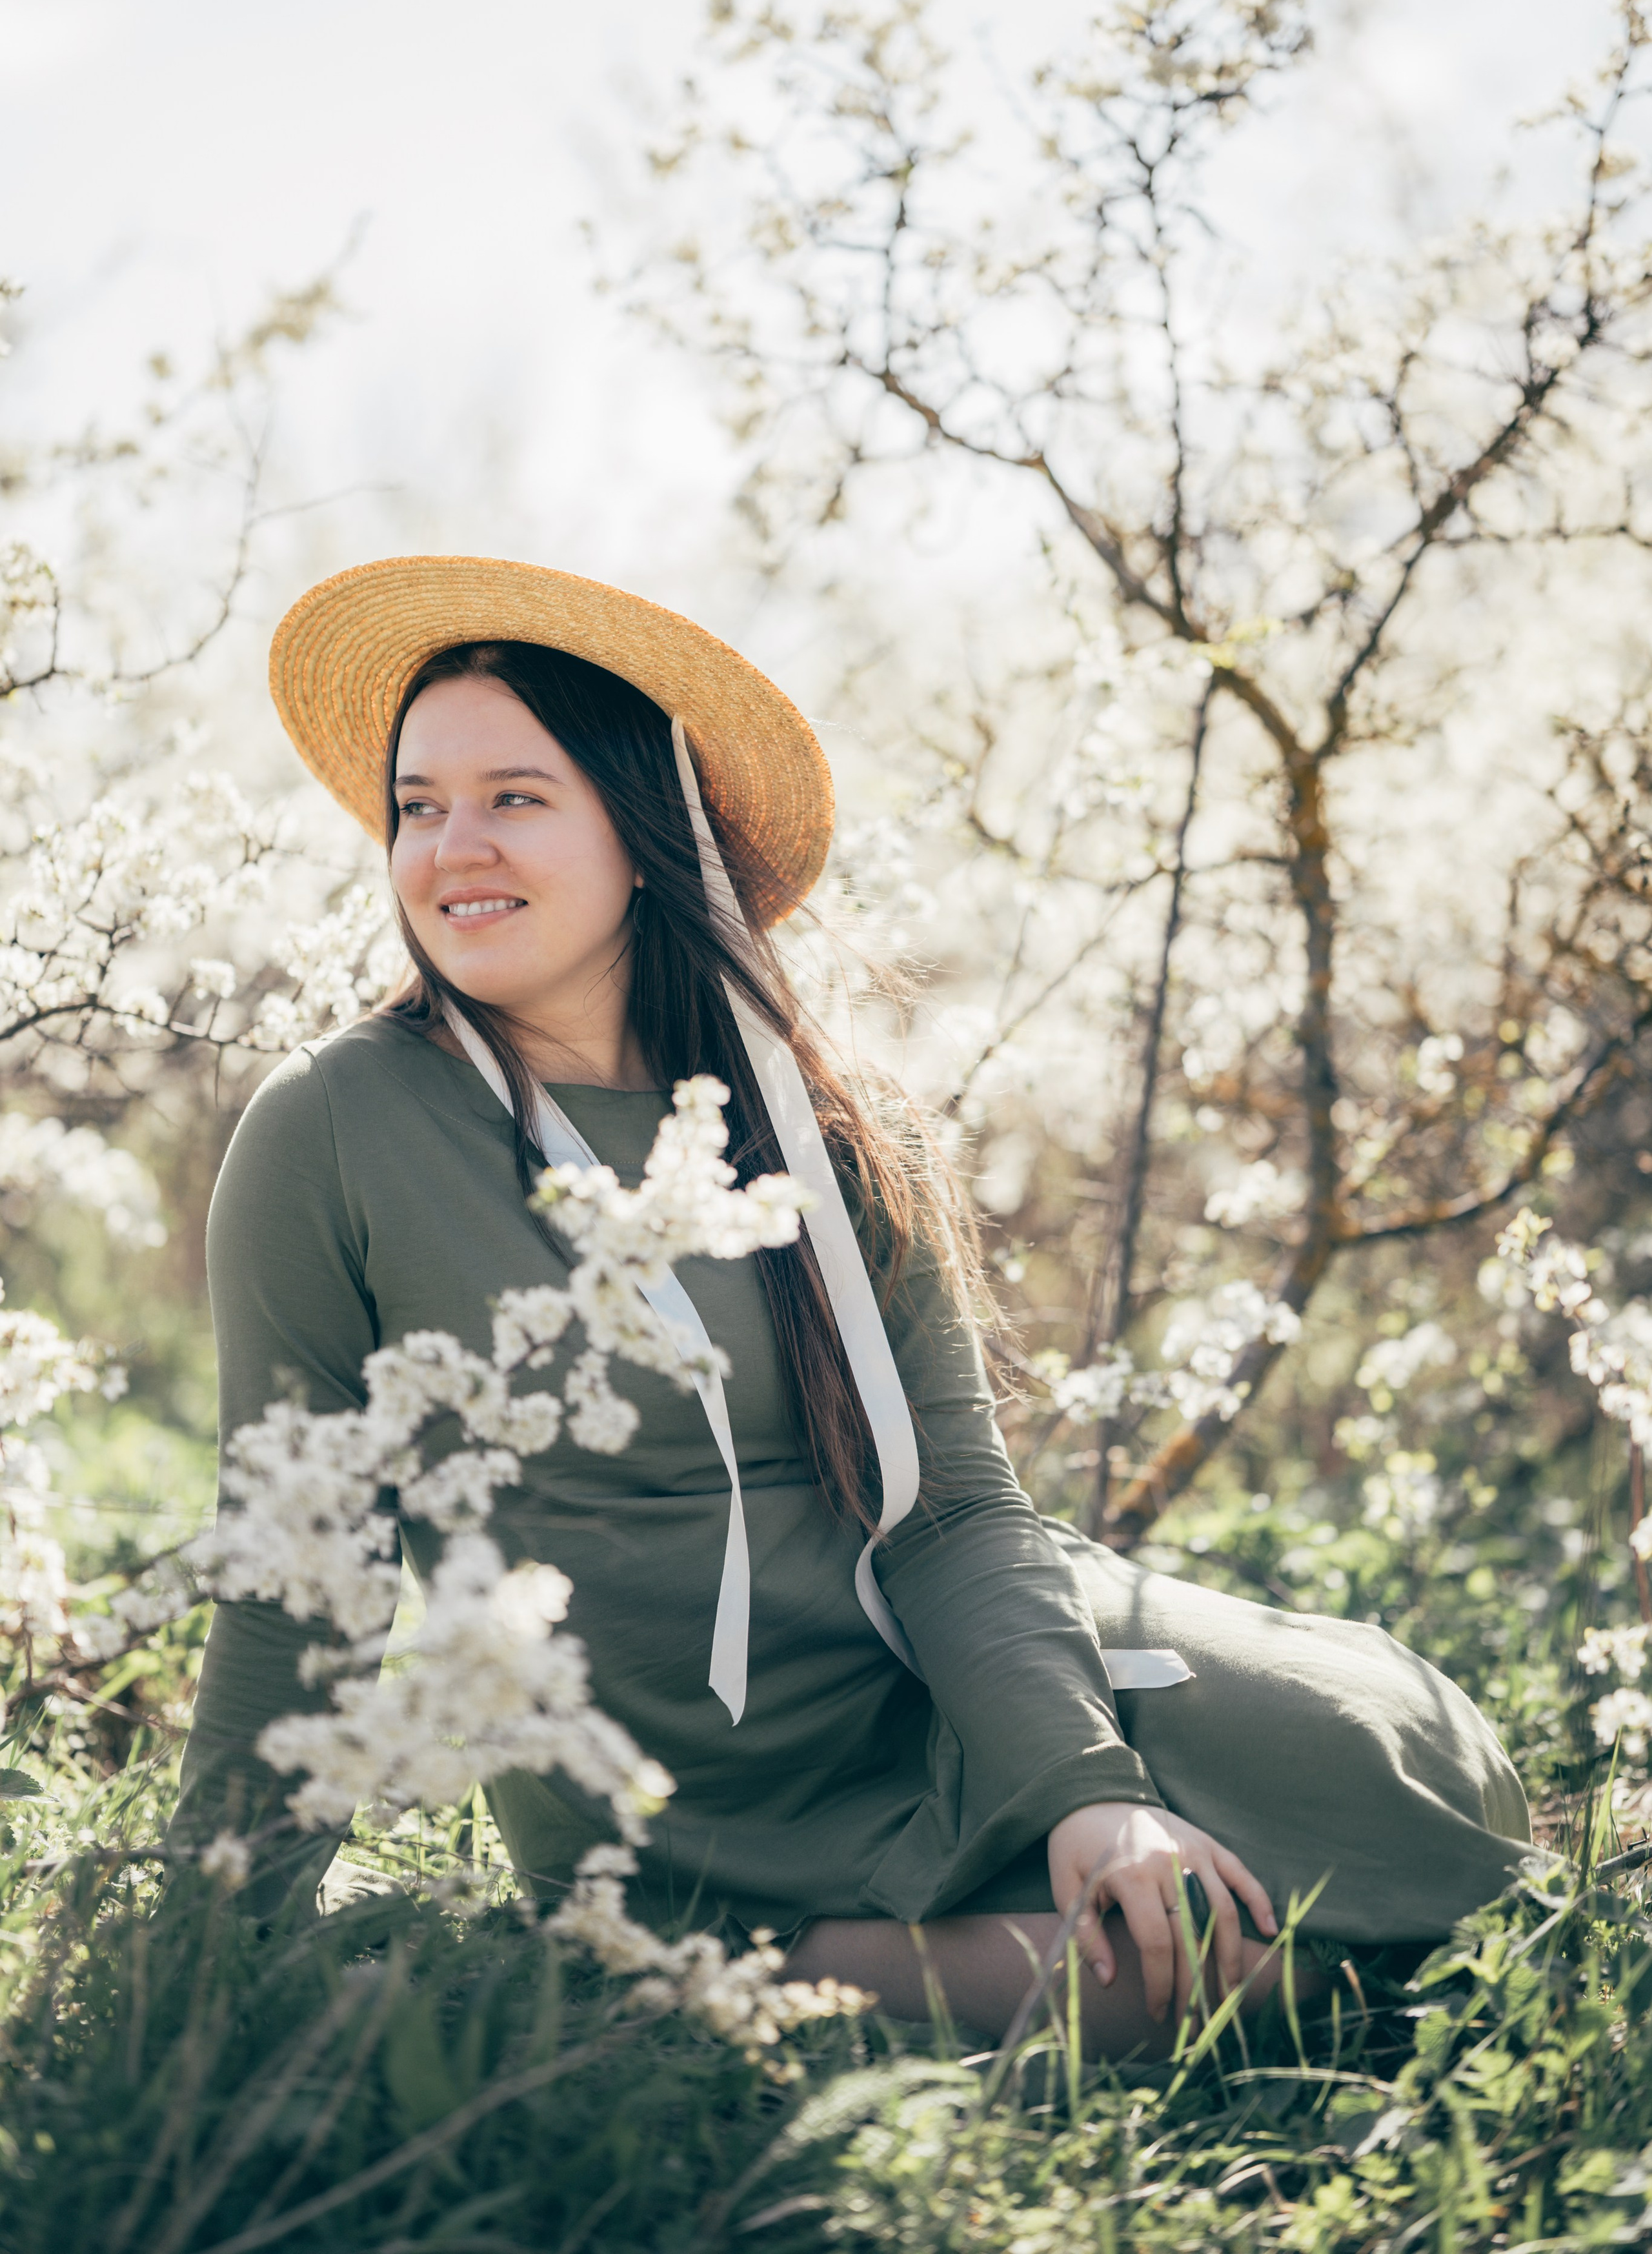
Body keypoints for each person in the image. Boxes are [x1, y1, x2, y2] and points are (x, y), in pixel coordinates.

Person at [173, 556, 1536, 2057]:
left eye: (514, 795)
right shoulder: (335, 1128)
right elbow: (298, 1573)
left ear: (644, 830)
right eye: (417, 805)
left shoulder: (816, 1123)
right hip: (678, 1812)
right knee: (1229, 1988)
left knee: (1380, 1750)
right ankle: (718, 1971)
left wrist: (1087, 1798)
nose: (450, 848)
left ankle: (1123, 1881)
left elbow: (949, 1508)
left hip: (914, 1689)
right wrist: (208, 1958)